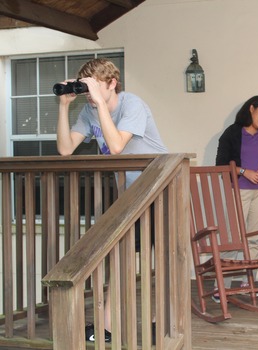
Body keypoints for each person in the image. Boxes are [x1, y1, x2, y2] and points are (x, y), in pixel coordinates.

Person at [55, 58, 168, 342]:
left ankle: (161, 321)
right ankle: (106, 327)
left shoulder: (132, 105)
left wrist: (101, 104)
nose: (90, 95)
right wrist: (65, 105)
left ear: (112, 84)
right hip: (131, 197)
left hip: (160, 190)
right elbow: (66, 149)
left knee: (163, 261)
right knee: (119, 259)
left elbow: (116, 145)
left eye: (95, 87)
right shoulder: (90, 111)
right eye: (87, 88)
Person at [214, 95, 258, 302]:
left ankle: (247, 283)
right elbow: (221, 164)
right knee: (233, 240)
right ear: (251, 108)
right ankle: (222, 287)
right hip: (240, 191)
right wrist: (244, 171)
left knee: (254, 238)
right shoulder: (233, 133)